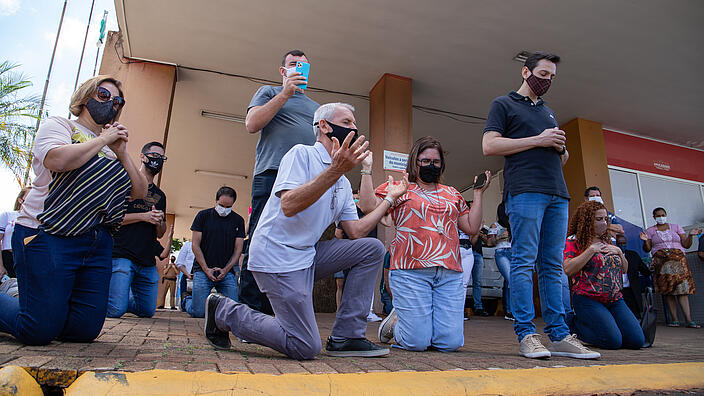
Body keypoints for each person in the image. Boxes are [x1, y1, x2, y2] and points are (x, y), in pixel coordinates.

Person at [204, 102, 406, 360]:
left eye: (354, 124)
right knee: (305, 346)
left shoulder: (343, 182)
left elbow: (355, 231)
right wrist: (335, 171)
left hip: (306, 256)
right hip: (277, 259)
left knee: (371, 248)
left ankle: (347, 337)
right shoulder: (301, 155)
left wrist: (388, 200)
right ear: (323, 126)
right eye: (346, 122)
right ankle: (223, 310)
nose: (353, 128)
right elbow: (288, 205)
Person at [0, 76, 147, 345]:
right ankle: (34, 312)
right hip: (46, 233)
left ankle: (45, 308)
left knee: (83, 331)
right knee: (38, 330)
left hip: (95, 241)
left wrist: (123, 152)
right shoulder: (60, 125)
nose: (111, 104)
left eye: (117, 102)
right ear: (84, 97)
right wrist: (102, 141)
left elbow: (139, 192)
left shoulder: (112, 147)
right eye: (103, 95)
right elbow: (58, 159)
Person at [482, 52, 600, 359]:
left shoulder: (548, 111)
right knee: (523, 261)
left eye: (552, 77)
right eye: (543, 74)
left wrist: (560, 152)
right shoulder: (503, 104)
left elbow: (554, 151)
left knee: (552, 265)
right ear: (525, 71)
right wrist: (538, 140)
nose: (547, 81)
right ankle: (526, 335)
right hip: (524, 191)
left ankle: (559, 335)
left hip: (557, 194)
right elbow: (489, 145)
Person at [367, 136, 491, 352]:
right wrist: (366, 170)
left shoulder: (452, 193)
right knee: (417, 343)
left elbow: (471, 227)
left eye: (436, 161)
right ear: (415, 162)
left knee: (450, 343)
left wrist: (478, 193)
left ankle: (412, 322)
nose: (431, 165)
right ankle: (396, 325)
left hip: (449, 273)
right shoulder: (400, 187)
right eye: (425, 161)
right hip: (410, 272)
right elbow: (369, 205)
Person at [240, 49, 320, 315]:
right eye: (293, 64)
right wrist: (285, 93)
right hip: (271, 175)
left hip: (304, 182)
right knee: (260, 239)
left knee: (294, 242)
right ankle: (250, 309)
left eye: (304, 66)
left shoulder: (316, 109)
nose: (299, 68)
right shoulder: (268, 92)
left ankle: (277, 311)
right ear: (283, 71)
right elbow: (251, 124)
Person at [563, 201, 644, 350]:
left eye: (606, 219)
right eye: (599, 219)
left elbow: (624, 270)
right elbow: (568, 269)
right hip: (588, 299)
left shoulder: (607, 240)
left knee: (637, 341)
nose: (604, 223)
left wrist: (619, 252)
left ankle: (607, 326)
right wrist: (590, 251)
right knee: (612, 342)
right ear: (587, 221)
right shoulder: (574, 241)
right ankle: (574, 326)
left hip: (614, 299)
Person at [107, 141, 168, 318]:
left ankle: (120, 299)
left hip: (146, 260)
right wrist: (142, 217)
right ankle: (111, 300)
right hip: (122, 255)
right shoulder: (124, 183)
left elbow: (160, 233)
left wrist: (159, 222)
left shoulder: (159, 195)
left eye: (161, 157)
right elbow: (111, 218)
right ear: (143, 156)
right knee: (115, 310)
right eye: (154, 156)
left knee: (147, 311)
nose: (157, 161)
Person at [182, 187, 245, 318]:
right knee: (199, 312)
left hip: (226, 273)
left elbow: (238, 249)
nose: (224, 209)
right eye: (221, 205)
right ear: (216, 200)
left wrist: (226, 270)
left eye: (228, 206)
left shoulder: (238, 220)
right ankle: (187, 301)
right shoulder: (203, 216)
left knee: (233, 310)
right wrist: (206, 269)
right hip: (202, 270)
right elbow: (195, 245)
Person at [640, 207, 701, 328]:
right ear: (654, 217)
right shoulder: (650, 230)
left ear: (666, 215)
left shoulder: (676, 227)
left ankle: (689, 320)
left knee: (683, 290)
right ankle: (674, 320)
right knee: (668, 290)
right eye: (658, 215)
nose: (661, 217)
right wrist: (645, 240)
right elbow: (647, 248)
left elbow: (686, 245)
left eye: (663, 214)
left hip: (679, 262)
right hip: (662, 264)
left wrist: (690, 235)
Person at [615, 234, 651, 319]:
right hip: (618, 291)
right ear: (616, 244)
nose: (622, 245)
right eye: (619, 243)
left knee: (635, 315)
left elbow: (644, 270)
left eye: (624, 243)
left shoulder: (632, 255)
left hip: (632, 290)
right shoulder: (611, 256)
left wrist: (651, 269)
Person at [489, 205, 513, 321]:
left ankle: (509, 310)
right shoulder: (495, 225)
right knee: (510, 279)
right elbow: (490, 242)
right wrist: (500, 236)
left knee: (511, 281)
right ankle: (510, 311)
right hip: (502, 252)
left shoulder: (514, 223)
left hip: (515, 252)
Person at [0, 188, 30, 279]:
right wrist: (0, 266)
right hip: (8, 257)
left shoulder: (37, 219)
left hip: (28, 259)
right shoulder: (7, 215)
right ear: (20, 200)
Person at [470, 225, 493, 317]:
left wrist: (481, 234)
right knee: (463, 282)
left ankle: (478, 307)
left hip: (478, 254)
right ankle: (461, 307)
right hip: (466, 252)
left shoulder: (482, 228)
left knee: (478, 282)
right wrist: (476, 231)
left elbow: (489, 243)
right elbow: (471, 242)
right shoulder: (466, 225)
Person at [458, 228, 474, 320]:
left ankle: (460, 311)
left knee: (464, 284)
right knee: (452, 282)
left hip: (467, 249)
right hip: (454, 247)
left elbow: (473, 240)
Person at [175, 240, 195, 309]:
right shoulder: (188, 245)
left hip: (201, 279)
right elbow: (179, 263)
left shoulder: (207, 245)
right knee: (185, 305)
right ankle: (186, 301)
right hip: (187, 278)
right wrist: (188, 274)